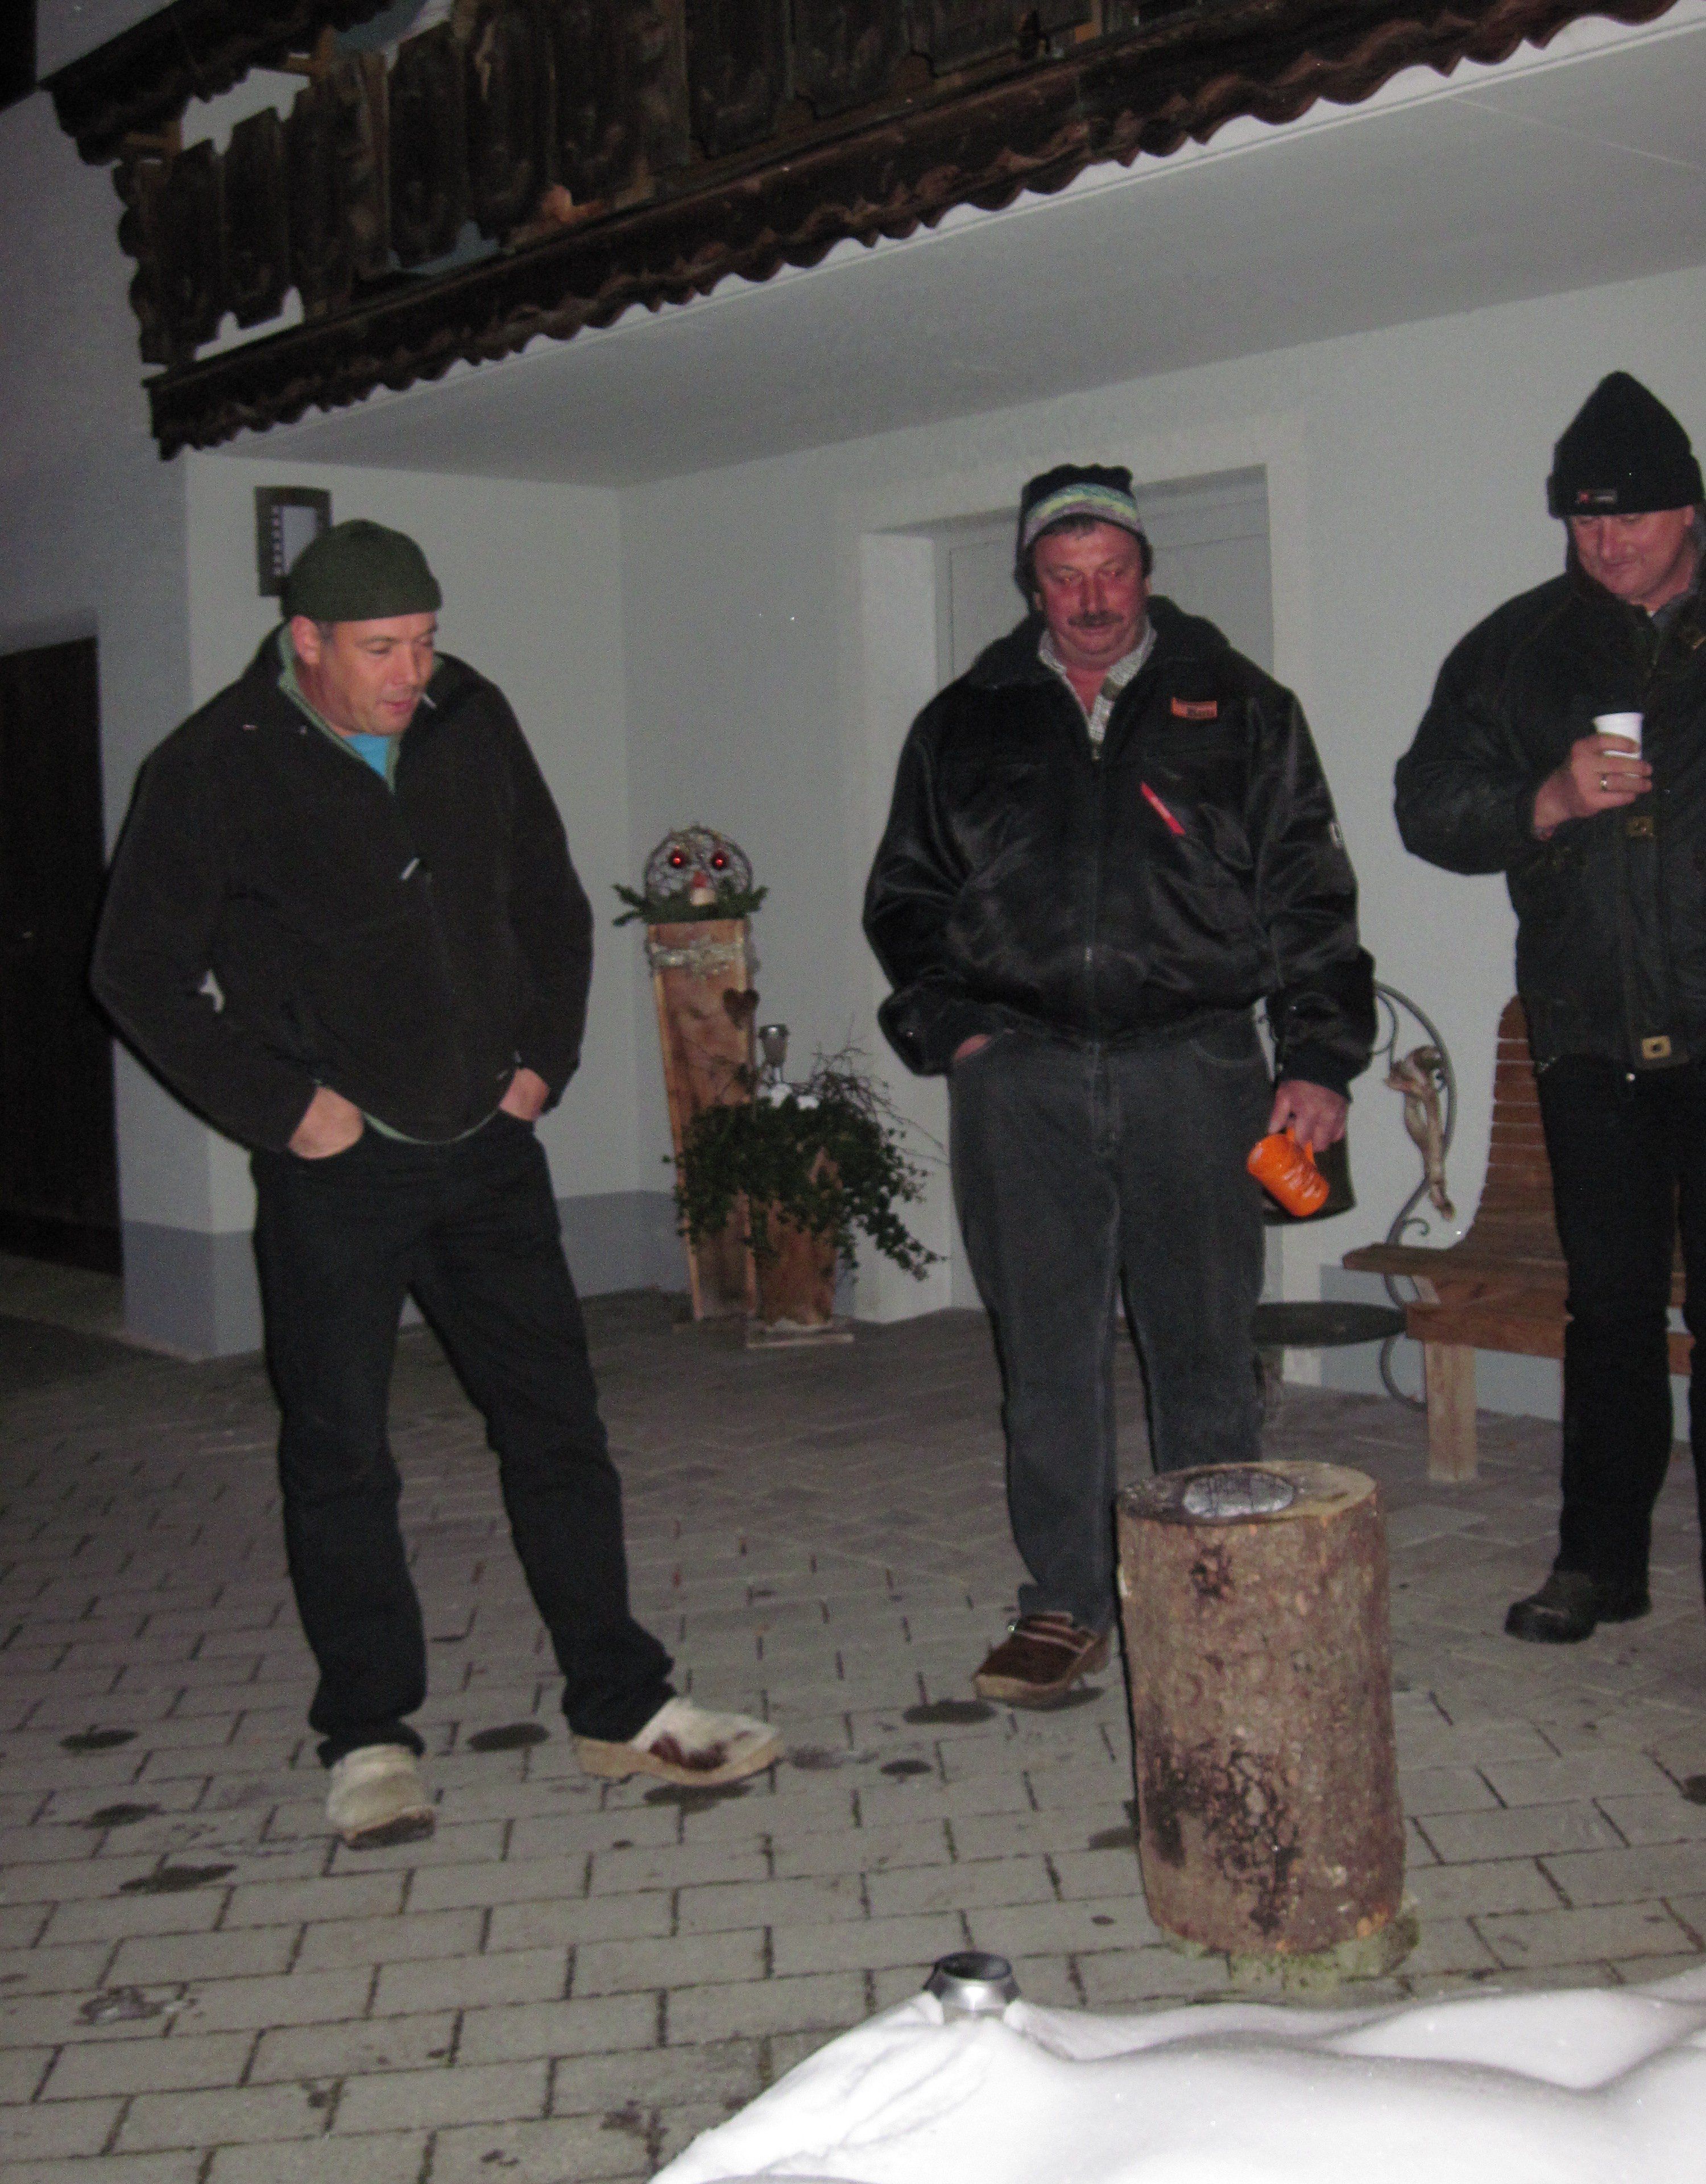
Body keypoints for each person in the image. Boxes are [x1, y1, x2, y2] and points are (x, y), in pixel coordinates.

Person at [92, 520, 777, 1843]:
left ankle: (621, 1702)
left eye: (424, 640)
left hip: (488, 1147)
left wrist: (542, 1064)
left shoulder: (471, 716)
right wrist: (283, 1107)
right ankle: (367, 1732)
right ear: (305, 641)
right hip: (336, 1168)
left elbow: (552, 904)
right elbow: (134, 970)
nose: (413, 672)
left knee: (558, 1428)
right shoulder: (214, 764)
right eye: (381, 649)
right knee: (341, 1450)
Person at [864, 465, 1374, 1706]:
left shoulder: (1243, 708)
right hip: (1020, 1076)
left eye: (1113, 572)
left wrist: (1318, 1058)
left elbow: (1309, 891)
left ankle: (1214, 1596)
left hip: (1195, 1064)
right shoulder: (963, 721)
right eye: (1065, 577)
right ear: (1031, 581)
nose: (1092, 601)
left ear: (1146, 570)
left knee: (1203, 1346)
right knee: (1046, 1352)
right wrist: (957, 1032)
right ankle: (1065, 1601)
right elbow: (907, 898)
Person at [1397, 372, 1706, 1645]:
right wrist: (1548, 800)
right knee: (1612, 1312)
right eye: (1583, 519)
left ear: (1688, 508)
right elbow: (1427, 805)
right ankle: (1599, 1564)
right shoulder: (1519, 645)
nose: (1604, 541)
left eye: (1628, 516)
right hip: (1588, 1030)